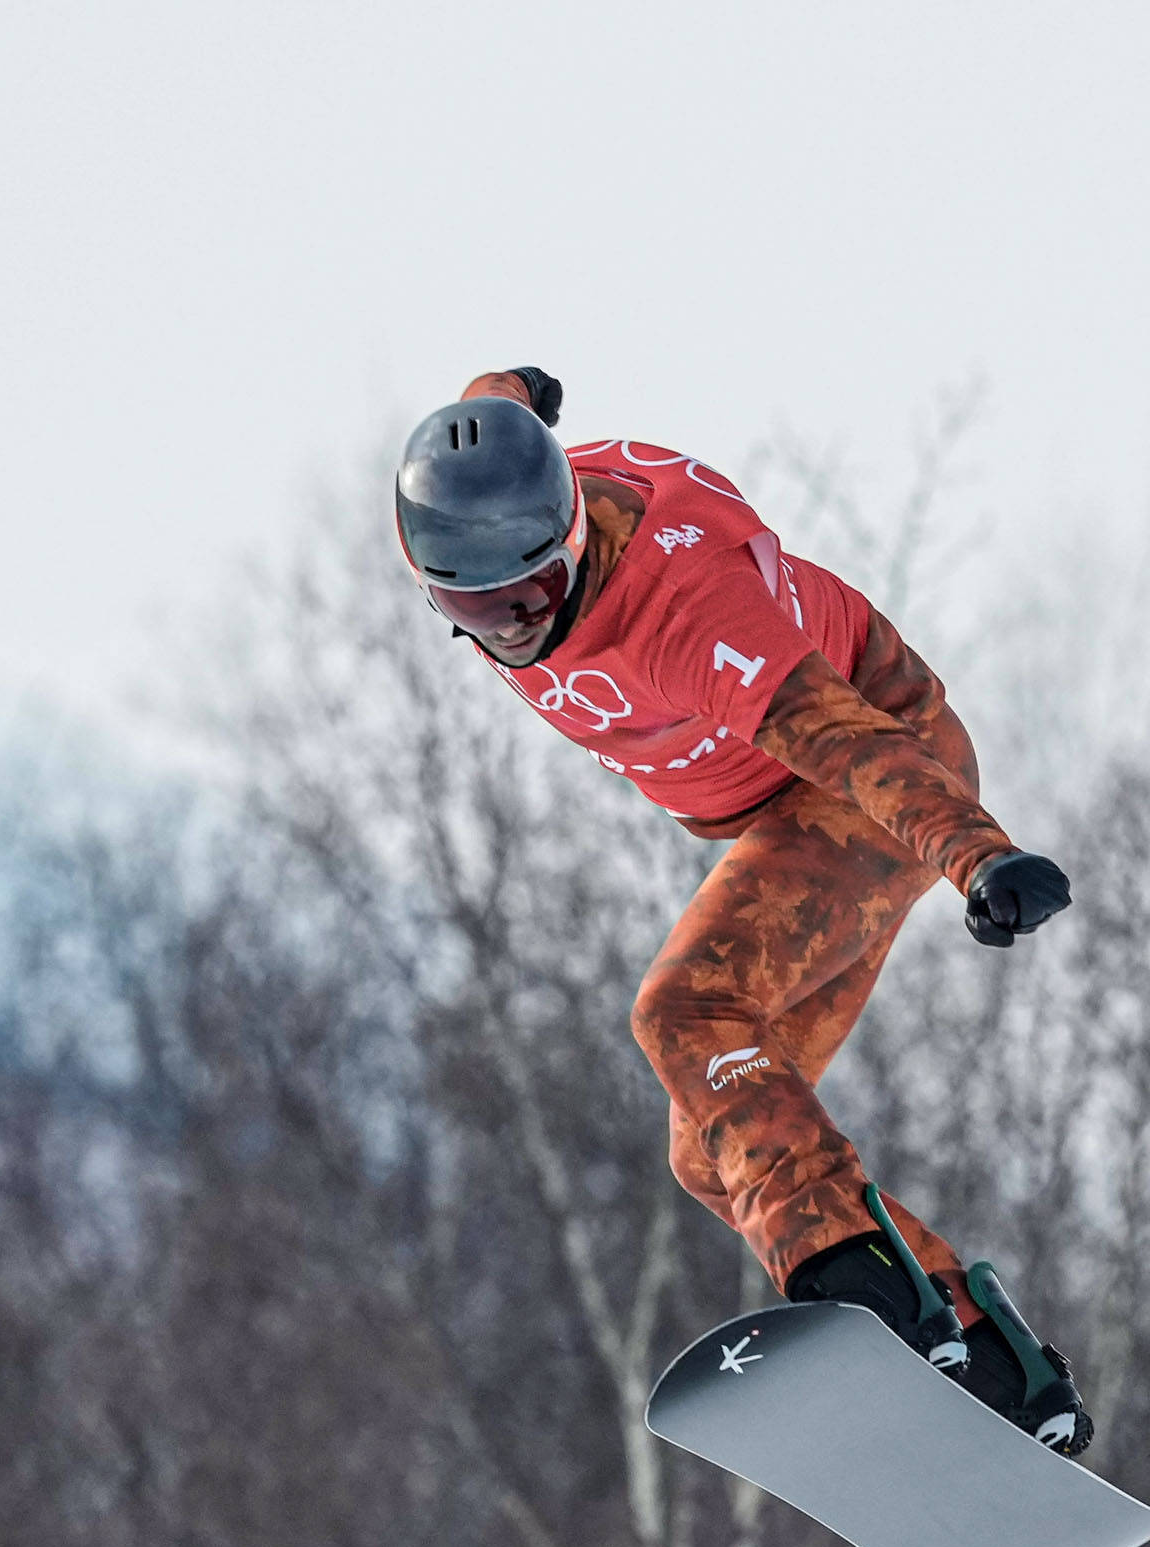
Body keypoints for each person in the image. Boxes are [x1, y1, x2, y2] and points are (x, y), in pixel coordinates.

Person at [389, 371, 1090, 1452]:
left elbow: (855, 746)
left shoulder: (686, 612)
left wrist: (978, 857)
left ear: (571, 538)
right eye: (473, 613)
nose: (514, 635)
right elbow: (487, 417)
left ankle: (848, 1278)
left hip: (866, 779)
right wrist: (515, 391)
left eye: (529, 599)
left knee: (687, 1010)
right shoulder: (493, 522)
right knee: (709, 1146)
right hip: (782, 825)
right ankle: (991, 1356)